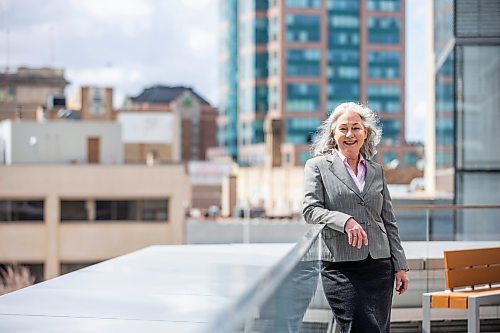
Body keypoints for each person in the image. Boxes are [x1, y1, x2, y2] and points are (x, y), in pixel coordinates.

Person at [302, 102, 409, 333]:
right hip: (340, 266)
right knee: (359, 327)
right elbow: (310, 210)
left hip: (379, 265)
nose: (350, 134)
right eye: (343, 128)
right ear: (333, 132)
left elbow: (388, 220)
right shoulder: (317, 167)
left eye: (356, 127)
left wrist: (400, 265)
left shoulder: (376, 170)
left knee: (378, 329)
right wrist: (345, 221)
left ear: (366, 133)